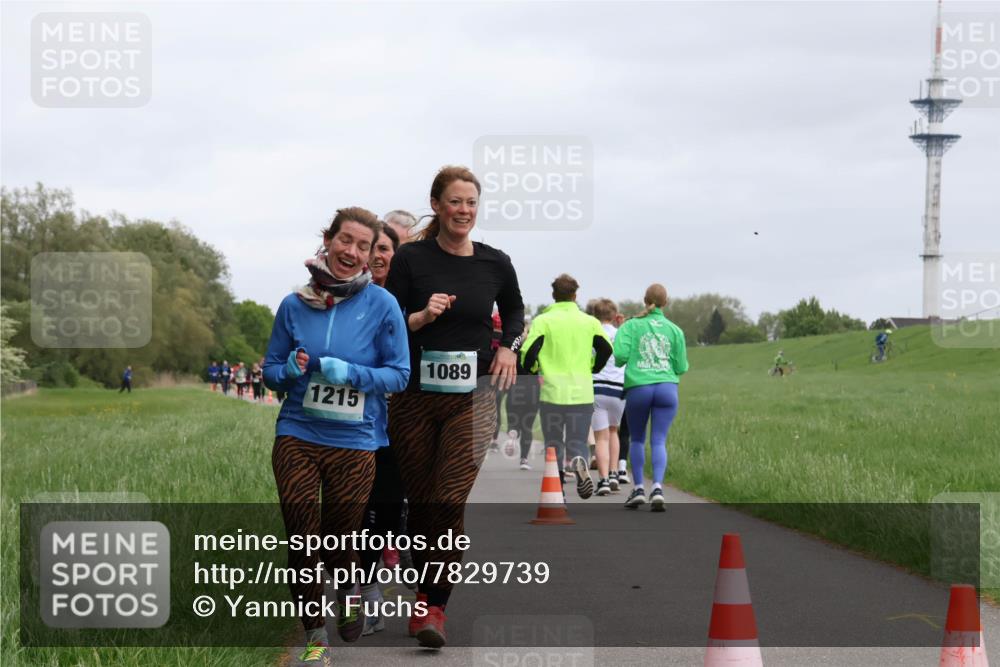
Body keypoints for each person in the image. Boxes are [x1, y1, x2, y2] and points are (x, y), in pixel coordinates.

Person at [262, 207, 410, 665]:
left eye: (362, 246)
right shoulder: (293, 304)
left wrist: (353, 374)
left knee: (339, 537)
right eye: (345, 240)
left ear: (370, 257)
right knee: (302, 537)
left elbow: (399, 375)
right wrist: (285, 372)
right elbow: (269, 371)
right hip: (298, 434)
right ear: (327, 240)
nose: (351, 251)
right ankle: (314, 636)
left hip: (356, 441)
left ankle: (347, 585)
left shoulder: (383, 305)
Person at [385, 165, 524, 649]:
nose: (464, 211)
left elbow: (515, 312)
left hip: (475, 396)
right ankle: (425, 585)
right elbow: (388, 321)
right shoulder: (410, 260)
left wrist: (508, 346)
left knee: (448, 499)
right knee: (423, 505)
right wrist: (420, 318)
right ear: (437, 205)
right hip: (414, 400)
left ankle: (432, 605)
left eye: (471, 203)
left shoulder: (495, 262)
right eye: (455, 202)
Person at [356, 220, 413, 636]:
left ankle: (374, 577)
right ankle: (362, 584)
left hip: (400, 414)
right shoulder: (346, 294)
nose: (377, 255)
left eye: (385, 249)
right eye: (371, 248)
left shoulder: (406, 296)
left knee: (389, 503)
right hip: (353, 418)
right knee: (358, 505)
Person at [521, 274, 612, 500]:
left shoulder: (543, 321)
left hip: (552, 392)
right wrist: (593, 367)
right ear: (575, 295)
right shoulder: (589, 322)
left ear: (553, 295)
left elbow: (527, 352)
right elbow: (606, 349)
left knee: (553, 442)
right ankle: (579, 460)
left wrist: (532, 370)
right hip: (581, 391)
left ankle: (558, 488)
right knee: (578, 439)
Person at [614, 284, 688, 512]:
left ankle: (638, 488)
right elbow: (681, 366)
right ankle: (657, 487)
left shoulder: (631, 325)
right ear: (665, 303)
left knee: (636, 439)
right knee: (658, 440)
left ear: (645, 301)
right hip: (667, 388)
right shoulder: (675, 330)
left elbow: (619, 356)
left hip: (639, 387)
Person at [590, 298, 627, 495]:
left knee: (600, 437)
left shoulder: (592, 333)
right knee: (614, 432)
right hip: (619, 388)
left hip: (597, 387)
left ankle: (603, 480)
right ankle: (614, 474)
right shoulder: (621, 334)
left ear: (595, 315)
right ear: (614, 316)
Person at [502, 315, 541, 470]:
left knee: (514, 421)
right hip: (532, 390)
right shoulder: (537, 351)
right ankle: (524, 459)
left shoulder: (514, 350)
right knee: (528, 427)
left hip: (514, 388)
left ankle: (512, 432)